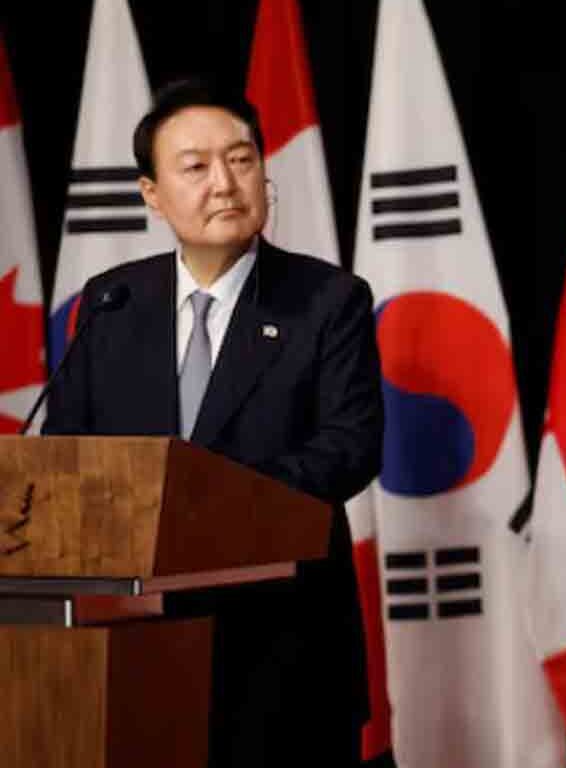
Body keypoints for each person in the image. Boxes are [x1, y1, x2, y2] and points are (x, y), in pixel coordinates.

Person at [43, 78, 380, 768]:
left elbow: (349, 449)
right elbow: (65, 457)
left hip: (285, 651)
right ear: (151, 193)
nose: (225, 183)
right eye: (195, 167)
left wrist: (199, 498)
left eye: (242, 159)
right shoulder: (112, 305)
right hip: (133, 656)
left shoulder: (327, 300)